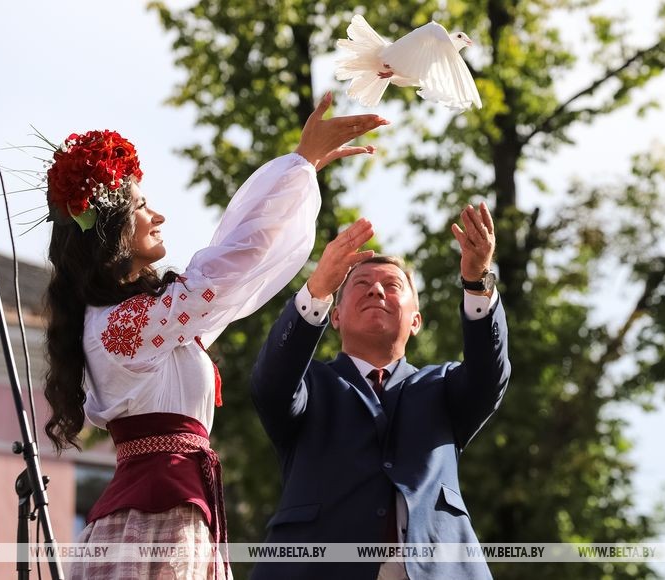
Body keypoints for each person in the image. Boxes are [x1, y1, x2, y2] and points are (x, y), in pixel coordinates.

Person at [41, 92, 389, 580]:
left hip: (174, 512)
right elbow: (226, 269)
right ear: (112, 232)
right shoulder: (122, 327)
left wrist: (298, 175)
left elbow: (231, 274)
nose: (158, 216)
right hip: (155, 521)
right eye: (143, 206)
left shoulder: (147, 323)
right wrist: (297, 167)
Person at [250, 203, 511, 580]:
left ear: (416, 321)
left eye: (392, 286)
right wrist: (319, 287)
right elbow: (271, 383)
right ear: (334, 316)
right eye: (360, 284)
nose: (376, 290)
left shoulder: (445, 387)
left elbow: (491, 374)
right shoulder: (308, 385)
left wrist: (477, 281)